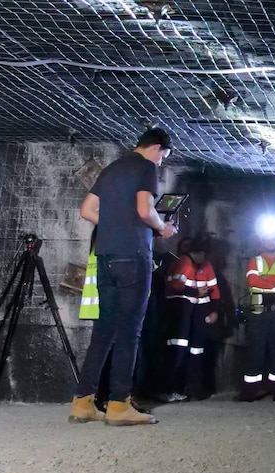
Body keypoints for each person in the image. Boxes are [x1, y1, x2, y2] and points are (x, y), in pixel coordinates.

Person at [69, 127, 177, 426]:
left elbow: (87, 210)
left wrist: (117, 223)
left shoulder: (112, 168)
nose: (160, 163)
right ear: (156, 148)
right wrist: (163, 228)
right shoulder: (145, 167)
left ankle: (83, 402)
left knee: (103, 332)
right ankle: (119, 404)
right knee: (129, 332)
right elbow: (145, 210)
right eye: (163, 158)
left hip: (105, 258)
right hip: (133, 257)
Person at [158, 235, 220, 402]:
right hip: (180, 312)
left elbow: (214, 290)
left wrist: (213, 310)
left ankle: (189, 389)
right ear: (198, 252)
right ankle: (169, 389)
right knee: (177, 351)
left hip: (194, 313)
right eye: (204, 254)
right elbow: (175, 285)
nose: (206, 259)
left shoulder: (201, 265)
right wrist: (195, 293)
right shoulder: (185, 263)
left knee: (194, 351)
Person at [238, 220, 275, 402]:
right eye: (266, 239)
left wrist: (265, 277)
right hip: (258, 311)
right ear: (262, 241)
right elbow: (253, 281)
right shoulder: (254, 261)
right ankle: (249, 391)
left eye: (273, 239)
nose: (270, 242)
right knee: (255, 350)